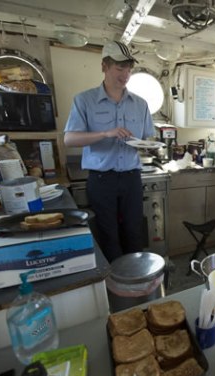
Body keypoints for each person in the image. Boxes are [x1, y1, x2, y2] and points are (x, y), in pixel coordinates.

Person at [64, 41, 155, 263]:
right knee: (108, 234)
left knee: (134, 232)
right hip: (101, 179)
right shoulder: (84, 100)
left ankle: (136, 283)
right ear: (104, 66)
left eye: (129, 69)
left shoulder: (140, 104)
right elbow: (69, 139)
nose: (125, 75)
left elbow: (148, 139)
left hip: (132, 177)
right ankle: (115, 286)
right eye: (119, 68)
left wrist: (144, 144)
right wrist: (105, 133)